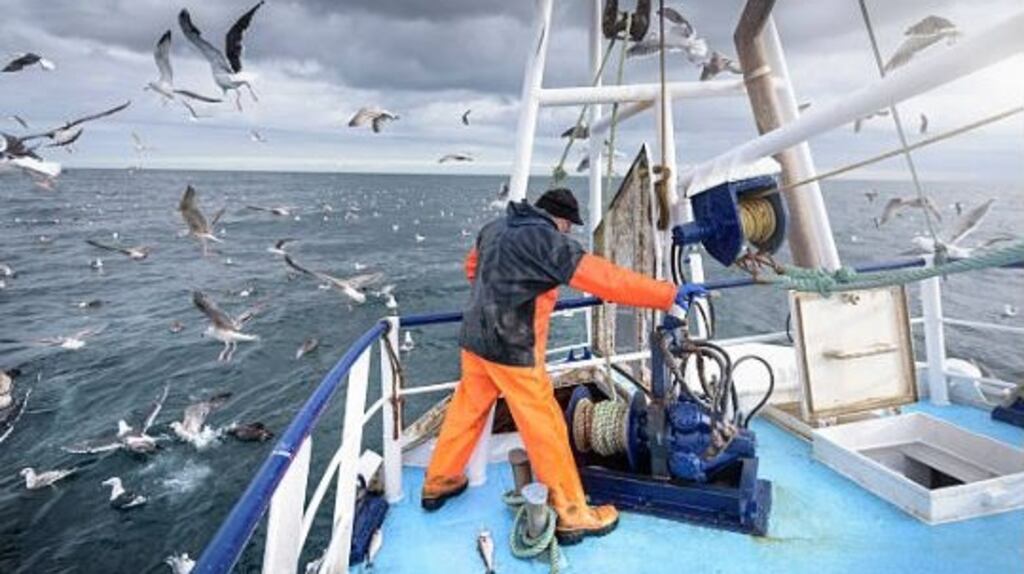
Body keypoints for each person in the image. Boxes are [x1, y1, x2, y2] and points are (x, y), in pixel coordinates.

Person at [421, 187, 705, 544]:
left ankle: (439, 482)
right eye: (568, 227)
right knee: (547, 429)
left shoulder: (494, 228)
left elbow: (472, 269)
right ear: (562, 221)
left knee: (467, 410)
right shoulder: (548, 241)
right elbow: (606, 280)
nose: (567, 233)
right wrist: (667, 295)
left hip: (476, 342)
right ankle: (573, 514)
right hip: (513, 350)